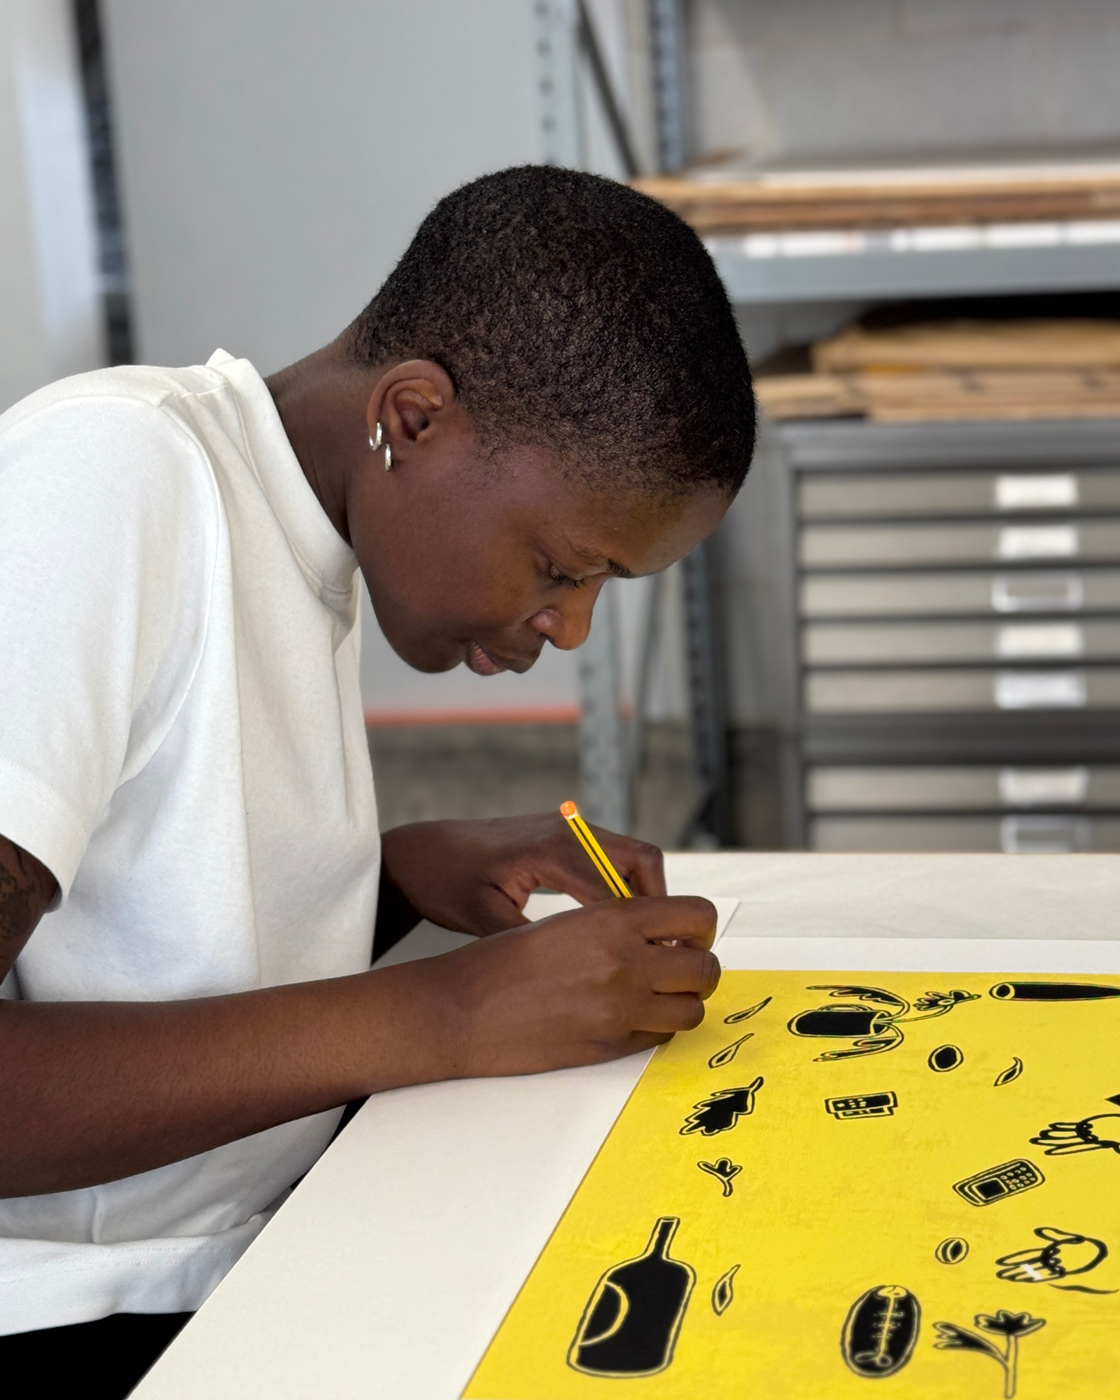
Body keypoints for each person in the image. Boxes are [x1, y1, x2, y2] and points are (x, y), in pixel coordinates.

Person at [0, 165, 754, 1395]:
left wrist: (394, 871)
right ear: (411, 418)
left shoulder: (301, 525)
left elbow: (135, 904)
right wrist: (441, 1014)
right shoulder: (111, 478)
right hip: (79, 1311)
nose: (567, 627)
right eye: (561, 566)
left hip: (254, 1244)